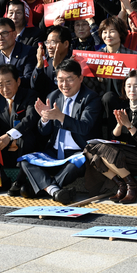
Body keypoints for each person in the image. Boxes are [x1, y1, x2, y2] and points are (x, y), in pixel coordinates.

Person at [18, 59, 101, 204]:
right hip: (55, 151)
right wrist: (45, 119)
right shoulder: (53, 96)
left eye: (69, 80)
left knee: (74, 166)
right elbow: (44, 132)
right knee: (26, 160)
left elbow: (85, 127)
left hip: (79, 152)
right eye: (60, 80)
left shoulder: (91, 98)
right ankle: (55, 191)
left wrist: (60, 117)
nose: (64, 85)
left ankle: (43, 187)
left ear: (80, 78)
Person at [84, 70, 137, 204]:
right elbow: (115, 138)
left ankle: (132, 187)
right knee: (89, 150)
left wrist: (129, 125)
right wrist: (120, 125)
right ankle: (123, 184)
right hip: (122, 155)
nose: (132, 89)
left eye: (136, 86)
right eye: (128, 86)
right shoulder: (122, 107)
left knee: (104, 151)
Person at [0, 64, 39, 193]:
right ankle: (1, 179)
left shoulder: (30, 95)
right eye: (0, 84)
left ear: (18, 81)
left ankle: (20, 180)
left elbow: (30, 120)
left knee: (26, 136)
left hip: (26, 144)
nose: (4, 89)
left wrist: (9, 136)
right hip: (5, 148)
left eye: (8, 83)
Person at [31, 26, 72, 100]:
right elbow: (34, 86)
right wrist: (39, 65)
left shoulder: (73, 60)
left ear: (66, 44)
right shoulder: (45, 60)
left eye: (53, 42)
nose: (49, 46)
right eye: (47, 42)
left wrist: (57, 67)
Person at [0, 17, 36, 89]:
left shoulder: (28, 52)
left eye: (4, 33)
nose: (0, 38)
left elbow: (29, 79)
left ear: (14, 34)